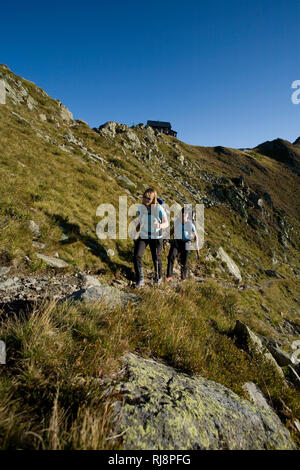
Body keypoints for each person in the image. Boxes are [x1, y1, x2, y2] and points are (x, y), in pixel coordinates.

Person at [132, 188, 169, 287]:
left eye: (148, 198)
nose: (146, 200)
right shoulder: (141, 207)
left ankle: (158, 278)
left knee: (156, 258)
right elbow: (140, 220)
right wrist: (136, 230)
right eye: (144, 197)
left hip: (156, 237)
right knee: (137, 256)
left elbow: (166, 223)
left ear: (153, 199)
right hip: (144, 235)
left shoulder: (158, 209)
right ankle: (140, 279)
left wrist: (159, 225)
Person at [166, 207, 199, 281]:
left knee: (184, 261)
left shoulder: (191, 225)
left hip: (186, 243)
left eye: (185, 214)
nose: (184, 215)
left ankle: (183, 278)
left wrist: (197, 248)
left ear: (188, 215)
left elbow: (196, 237)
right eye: (183, 213)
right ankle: (169, 276)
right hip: (177, 241)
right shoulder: (177, 222)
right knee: (171, 256)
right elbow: (172, 230)